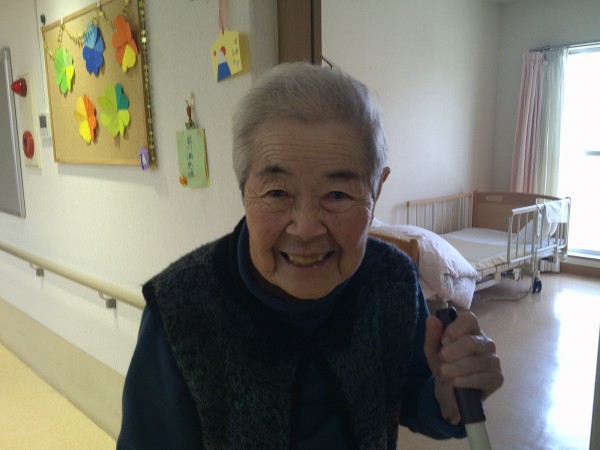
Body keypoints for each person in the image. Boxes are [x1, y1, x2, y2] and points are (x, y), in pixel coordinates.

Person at [117, 62, 503, 449]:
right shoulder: (180, 309)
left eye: (337, 194)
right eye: (276, 193)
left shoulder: (393, 279)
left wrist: (449, 396)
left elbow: (416, 393)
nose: (305, 228)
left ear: (377, 190)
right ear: (244, 190)